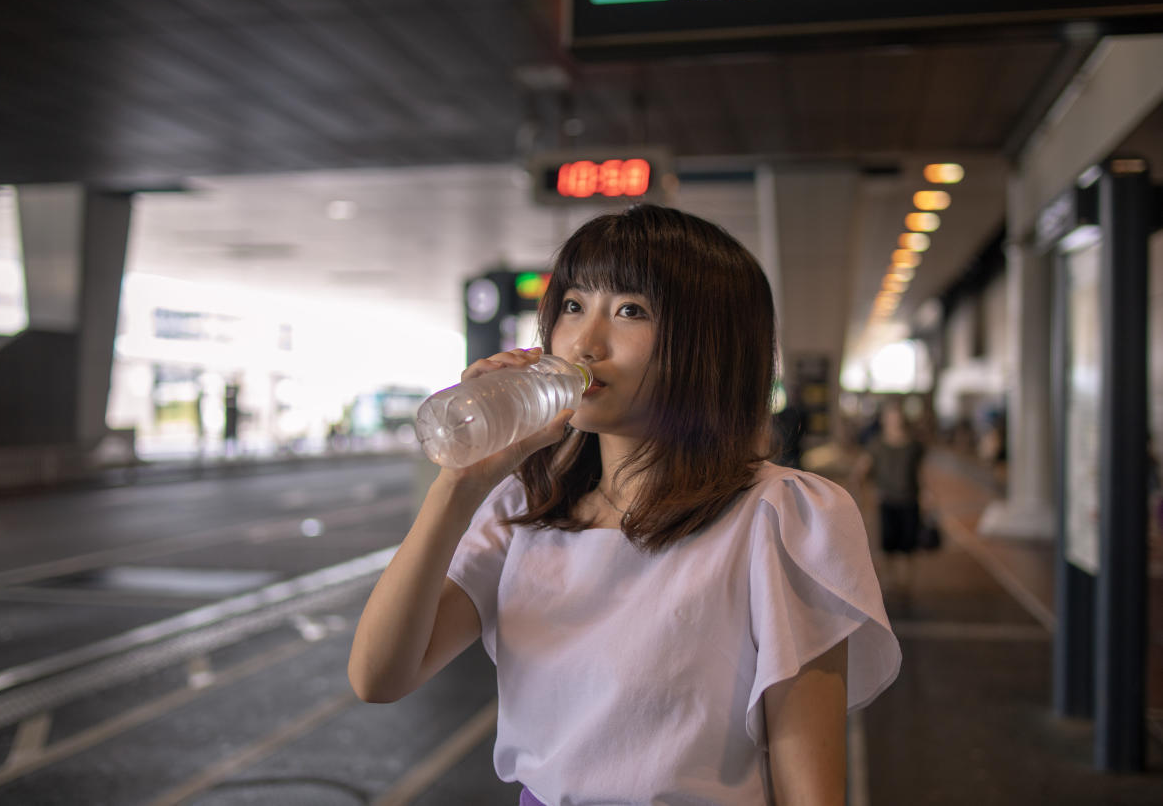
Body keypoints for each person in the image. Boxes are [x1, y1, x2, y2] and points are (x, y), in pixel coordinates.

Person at [348, 205, 900, 805]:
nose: (585, 342)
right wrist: (460, 484)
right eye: (573, 305)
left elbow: (810, 791)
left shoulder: (780, 516)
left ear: (708, 344)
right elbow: (379, 676)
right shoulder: (525, 508)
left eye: (631, 311)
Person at [854, 401, 928, 597]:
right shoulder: (877, 445)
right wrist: (865, 496)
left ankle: (906, 585)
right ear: (885, 420)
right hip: (886, 501)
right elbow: (862, 470)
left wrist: (928, 497)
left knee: (908, 546)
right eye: (891, 417)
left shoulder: (914, 446)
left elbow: (920, 473)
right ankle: (891, 582)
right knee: (887, 545)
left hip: (910, 500)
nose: (895, 421)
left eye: (897, 417)